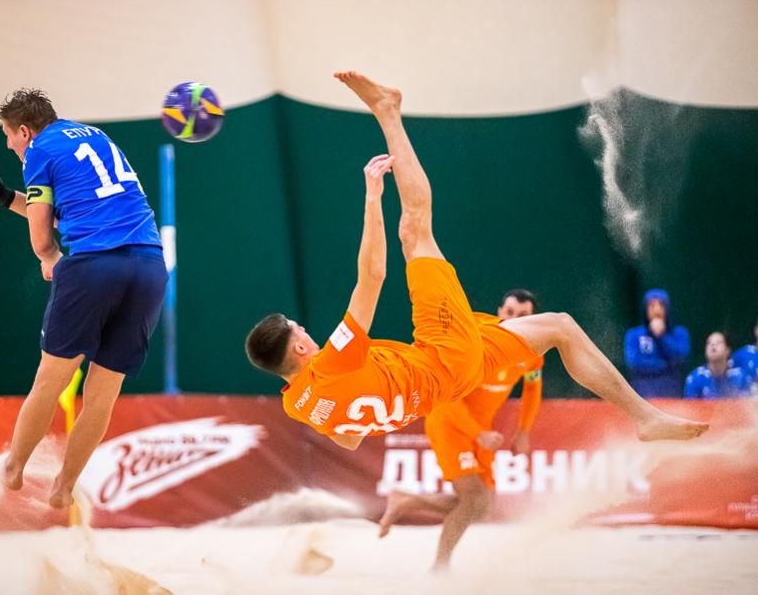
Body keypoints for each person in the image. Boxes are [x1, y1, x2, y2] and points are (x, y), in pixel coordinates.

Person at [244, 71, 707, 455]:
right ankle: (387, 111)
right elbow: (372, 276)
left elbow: (350, 438)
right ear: (299, 348)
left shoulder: (298, 406)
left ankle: (644, 418)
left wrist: (369, 394)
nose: (306, 331)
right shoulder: (331, 361)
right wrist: (372, 196)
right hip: (443, 352)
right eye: (299, 329)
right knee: (415, 230)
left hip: (451, 382)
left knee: (560, 327)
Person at [0, 89, 167, 508]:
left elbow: (42, 233)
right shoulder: (94, 136)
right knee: (103, 394)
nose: (9, 145)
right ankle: (64, 488)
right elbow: (74, 209)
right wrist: (2, 196)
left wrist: (50, 257)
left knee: (51, 379)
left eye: (8, 136)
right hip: (148, 267)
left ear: (24, 130)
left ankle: (14, 468)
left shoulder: (39, 150)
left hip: (95, 267)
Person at [376, 288, 544, 571]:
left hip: (481, 430)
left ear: (532, 318)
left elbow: (532, 387)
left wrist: (524, 430)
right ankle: (440, 569)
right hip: (448, 421)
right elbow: (445, 395)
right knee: (474, 498)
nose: (513, 319)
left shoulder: (532, 351)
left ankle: (406, 500)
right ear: (499, 312)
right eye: (509, 312)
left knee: (483, 507)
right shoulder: (475, 334)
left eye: (522, 315)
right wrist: (478, 433)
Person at [624, 289, 690, 398]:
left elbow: (681, 357)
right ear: (645, 309)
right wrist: (665, 365)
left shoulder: (679, 333)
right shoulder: (633, 334)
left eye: (661, 305)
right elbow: (633, 362)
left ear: (667, 309)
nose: (657, 310)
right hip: (642, 393)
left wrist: (661, 337)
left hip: (671, 392)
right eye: (652, 305)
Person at [684, 332, 752, 399]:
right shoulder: (695, 378)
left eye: (719, 342)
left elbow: (748, 403)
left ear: (727, 350)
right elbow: (690, 405)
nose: (713, 345)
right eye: (709, 343)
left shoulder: (740, 376)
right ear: (705, 352)